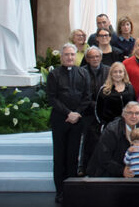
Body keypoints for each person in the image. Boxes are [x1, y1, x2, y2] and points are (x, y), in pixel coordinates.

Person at [47, 44, 91, 204]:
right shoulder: (54, 74)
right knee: (59, 157)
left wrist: (77, 113)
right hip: (60, 120)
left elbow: (87, 96)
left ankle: (72, 190)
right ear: (61, 56)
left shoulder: (83, 73)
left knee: (73, 156)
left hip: (77, 121)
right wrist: (68, 113)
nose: (70, 57)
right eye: (66, 55)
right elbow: (52, 98)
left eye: (72, 54)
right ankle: (60, 191)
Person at [86, 101, 139, 178]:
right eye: (130, 113)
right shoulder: (112, 130)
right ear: (124, 114)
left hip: (134, 172)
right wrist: (121, 170)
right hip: (107, 173)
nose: (133, 116)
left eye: (137, 113)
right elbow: (103, 157)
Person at [79, 46, 109, 174]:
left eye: (97, 56)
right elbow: (80, 93)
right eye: (91, 57)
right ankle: (85, 168)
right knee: (88, 142)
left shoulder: (108, 71)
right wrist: (93, 104)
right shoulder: (81, 72)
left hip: (105, 112)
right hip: (88, 112)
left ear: (101, 57)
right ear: (87, 59)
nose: (95, 59)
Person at [95, 62, 136, 128]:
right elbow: (98, 109)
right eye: (115, 72)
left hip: (128, 125)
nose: (118, 74)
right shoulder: (105, 90)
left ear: (124, 73)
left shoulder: (130, 88)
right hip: (110, 126)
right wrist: (103, 123)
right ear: (111, 74)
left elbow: (134, 105)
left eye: (120, 72)